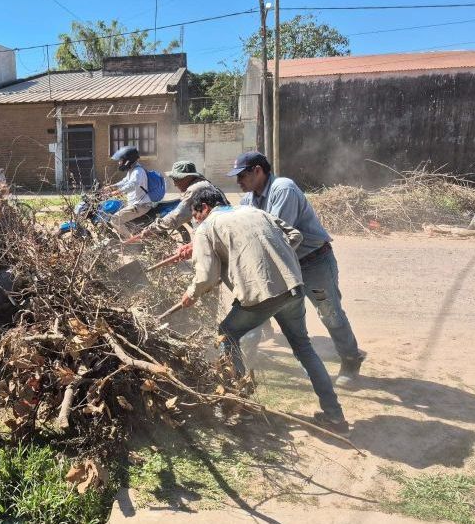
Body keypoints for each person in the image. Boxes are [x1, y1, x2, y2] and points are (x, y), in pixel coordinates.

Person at [182, 189, 349, 433]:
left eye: (196, 215)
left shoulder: (207, 227)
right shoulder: (256, 212)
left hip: (260, 295)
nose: (196, 221)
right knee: (303, 347)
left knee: (226, 333)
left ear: (204, 208)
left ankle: (240, 407)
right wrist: (271, 257)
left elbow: (206, 276)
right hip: (292, 286)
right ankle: (335, 416)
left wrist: (191, 294)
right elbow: (294, 234)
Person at [227, 151, 366, 387]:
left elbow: (274, 236)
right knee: (267, 314)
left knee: (329, 312)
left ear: (258, 171)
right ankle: (242, 366)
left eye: (241, 175)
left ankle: (351, 359)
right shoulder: (249, 200)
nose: (238, 181)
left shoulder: (283, 189)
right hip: (285, 264)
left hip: (313, 262)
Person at [138, 160, 229, 240]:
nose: (174, 184)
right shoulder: (205, 184)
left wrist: (152, 229)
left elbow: (177, 216)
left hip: (216, 235)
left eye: (176, 179)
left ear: (187, 177)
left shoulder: (195, 189)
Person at [104, 145, 152, 240]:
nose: (119, 163)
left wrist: (116, 192)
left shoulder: (138, 171)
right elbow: (125, 182)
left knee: (115, 219)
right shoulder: (132, 170)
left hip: (140, 205)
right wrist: (110, 187)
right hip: (135, 203)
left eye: (121, 160)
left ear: (127, 161)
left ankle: (132, 241)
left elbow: (132, 185)